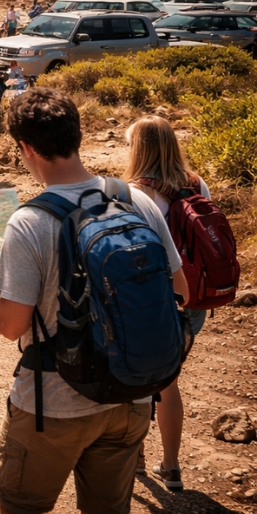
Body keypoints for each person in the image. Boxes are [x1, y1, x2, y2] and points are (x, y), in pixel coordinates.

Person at [0, 88, 188, 514]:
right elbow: (181, 292)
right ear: (77, 133)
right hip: (132, 395)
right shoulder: (134, 199)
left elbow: (11, 324)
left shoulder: (29, 221)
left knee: (22, 506)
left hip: (53, 404)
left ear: (26, 148)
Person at [124, 115, 211, 491]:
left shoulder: (133, 193)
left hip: (154, 302)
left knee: (140, 384)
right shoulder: (196, 183)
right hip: (193, 302)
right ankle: (172, 467)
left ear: (139, 149)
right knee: (169, 380)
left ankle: (136, 458)